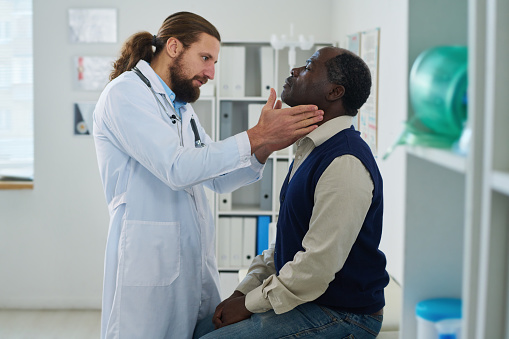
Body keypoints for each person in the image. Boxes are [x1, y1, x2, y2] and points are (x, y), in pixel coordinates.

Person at [92, 11, 323, 339]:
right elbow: (177, 168)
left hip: (188, 263)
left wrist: (266, 144)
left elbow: (218, 178)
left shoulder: (181, 108)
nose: (211, 72)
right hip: (147, 264)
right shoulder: (125, 95)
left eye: (214, 62)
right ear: (173, 47)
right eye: (205, 58)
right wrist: (255, 135)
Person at [193, 46, 390, 339]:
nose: (295, 70)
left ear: (334, 92)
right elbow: (287, 242)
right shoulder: (309, 148)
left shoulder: (344, 161)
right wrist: (242, 290)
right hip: (310, 298)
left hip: (343, 314)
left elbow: (316, 266)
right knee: (199, 329)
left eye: (308, 67)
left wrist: (248, 305)